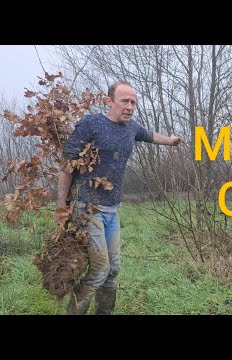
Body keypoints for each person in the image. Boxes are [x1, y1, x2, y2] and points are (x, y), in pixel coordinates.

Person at [54, 81, 181, 315]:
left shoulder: (131, 128)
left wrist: (171, 141)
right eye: (125, 101)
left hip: (113, 209)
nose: (130, 106)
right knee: (99, 270)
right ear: (109, 101)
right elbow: (67, 166)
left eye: (133, 102)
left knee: (113, 271)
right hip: (88, 208)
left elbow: (150, 135)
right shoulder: (92, 124)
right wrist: (61, 206)